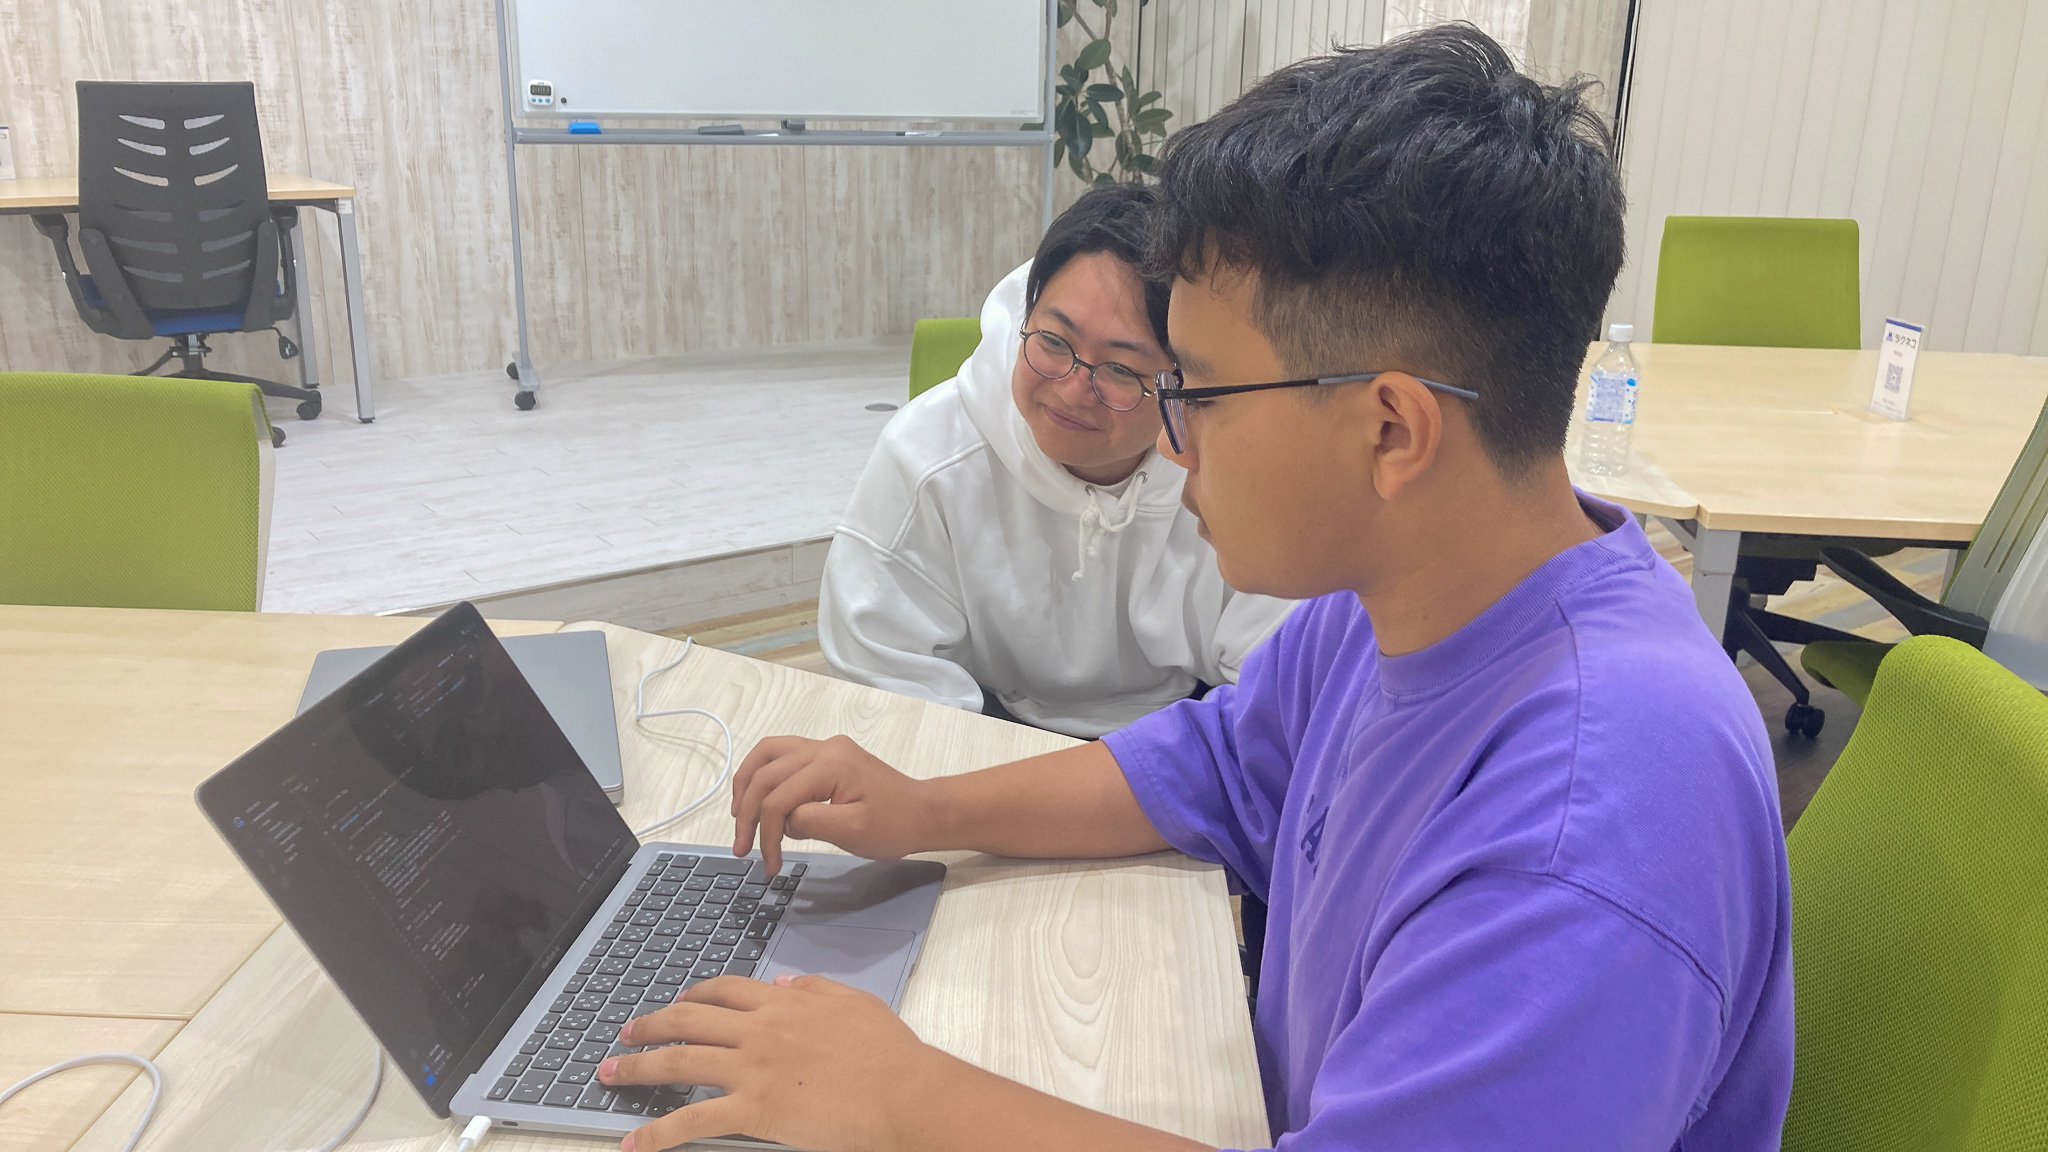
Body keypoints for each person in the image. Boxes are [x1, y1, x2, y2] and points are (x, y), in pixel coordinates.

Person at [597, 26, 1794, 1152]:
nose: (1169, 445)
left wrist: (903, 1097)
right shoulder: (1393, 603)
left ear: (1390, 430)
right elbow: (1216, 764)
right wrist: (927, 810)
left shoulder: (1583, 833)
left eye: (1196, 392)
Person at [817, 183, 1295, 738]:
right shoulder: (930, 455)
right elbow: (883, 672)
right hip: (985, 722)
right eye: (1052, 341)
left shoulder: (1226, 463)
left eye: (1121, 370)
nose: (1071, 390)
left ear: (1183, 384)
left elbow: (1279, 685)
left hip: (1190, 726)